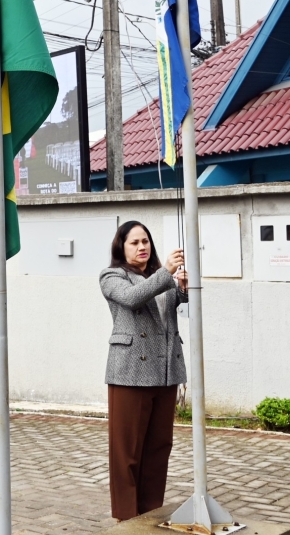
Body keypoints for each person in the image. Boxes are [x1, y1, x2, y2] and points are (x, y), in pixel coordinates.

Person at [98, 221, 187, 521]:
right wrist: (168, 274)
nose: (142, 247)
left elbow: (171, 310)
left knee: (159, 446)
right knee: (127, 451)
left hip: (165, 371)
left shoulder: (161, 277)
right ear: (121, 247)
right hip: (130, 373)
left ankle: (150, 511)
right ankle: (126, 516)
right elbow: (134, 298)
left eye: (146, 241)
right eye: (134, 242)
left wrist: (183, 290)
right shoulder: (112, 276)